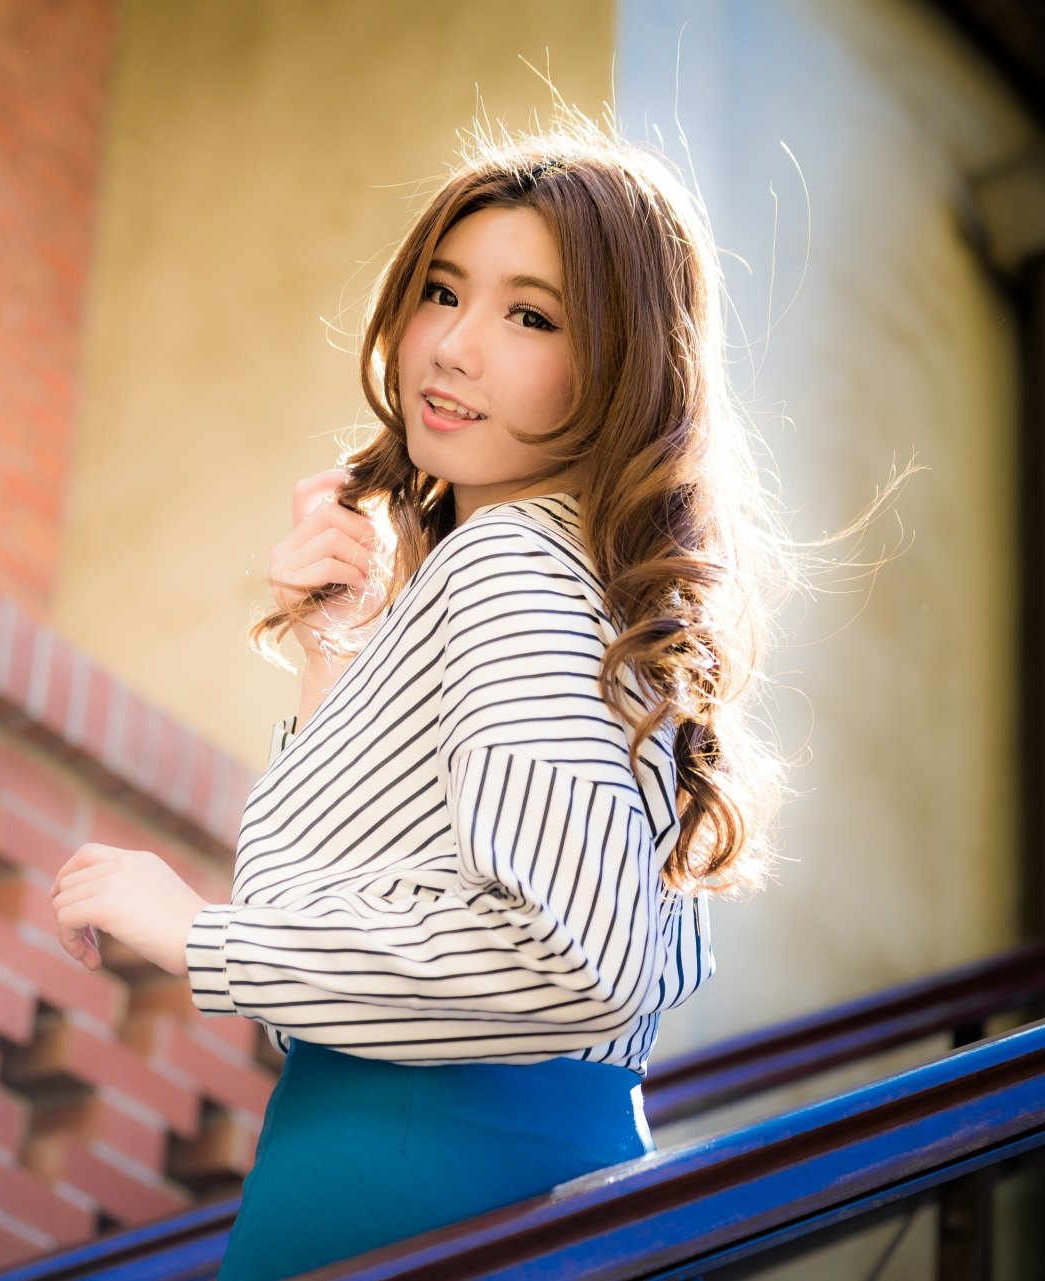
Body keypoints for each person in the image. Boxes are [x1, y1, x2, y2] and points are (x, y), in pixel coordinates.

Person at [48, 111, 904, 1280]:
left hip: (433, 1175)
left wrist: (195, 933)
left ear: (621, 368)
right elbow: (338, 957)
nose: (451, 347)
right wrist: (337, 649)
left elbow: (567, 959)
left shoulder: (510, 567)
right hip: (397, 1164)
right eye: (442, 293)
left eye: (530, 316)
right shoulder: (523, 579)